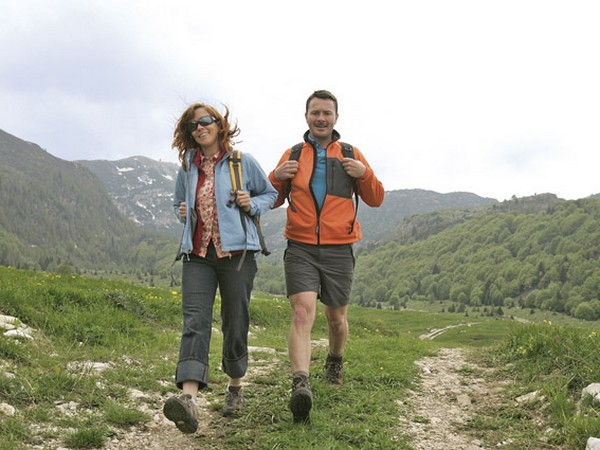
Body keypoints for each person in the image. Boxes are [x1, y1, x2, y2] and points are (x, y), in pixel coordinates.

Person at [269, 90, 385, 423]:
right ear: (306, 117)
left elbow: (376, 198)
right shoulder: (293, 154)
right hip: (301, 247)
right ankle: (300, 384)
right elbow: (273, 198)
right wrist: (277, 176)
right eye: (315, 112)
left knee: (336, 319)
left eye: (327, 113)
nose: (321, 118)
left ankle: (334, 360)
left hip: (339, 248)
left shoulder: (350, 153)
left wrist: (363, 173)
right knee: (302, 311)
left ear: (336, 118)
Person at [163, 102, 277, 434]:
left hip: (237, 255)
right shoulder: (188, 166)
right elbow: (176, 205)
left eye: (205, 122)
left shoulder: (242, 162)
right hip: (197, 254)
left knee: (235, 319)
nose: (199, 128)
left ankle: (235, 386)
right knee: (195, 321)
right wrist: (182, 212)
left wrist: (252, 202)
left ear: (219, 124)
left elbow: (269, 193)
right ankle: (187, 399)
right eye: (192, 126)